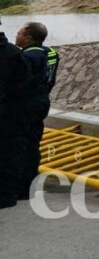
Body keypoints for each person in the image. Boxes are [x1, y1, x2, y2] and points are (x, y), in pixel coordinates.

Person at [13, 22, 57, 202]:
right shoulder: (51, 53)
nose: (16, 36)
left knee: (21, 144)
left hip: (25, 104)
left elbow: (18, 82)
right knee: (33, 143)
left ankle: (20, 187)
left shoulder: (27, 56)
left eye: (19, 33)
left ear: (28, 37)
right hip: (42, 101)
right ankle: (29, 184)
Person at [0, 28, 33, 209]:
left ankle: (7, 195)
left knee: (9, 154)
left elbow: (23, 85)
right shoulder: (14, 53)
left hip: (9, 113)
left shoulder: (13, 54)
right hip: (11, 111)